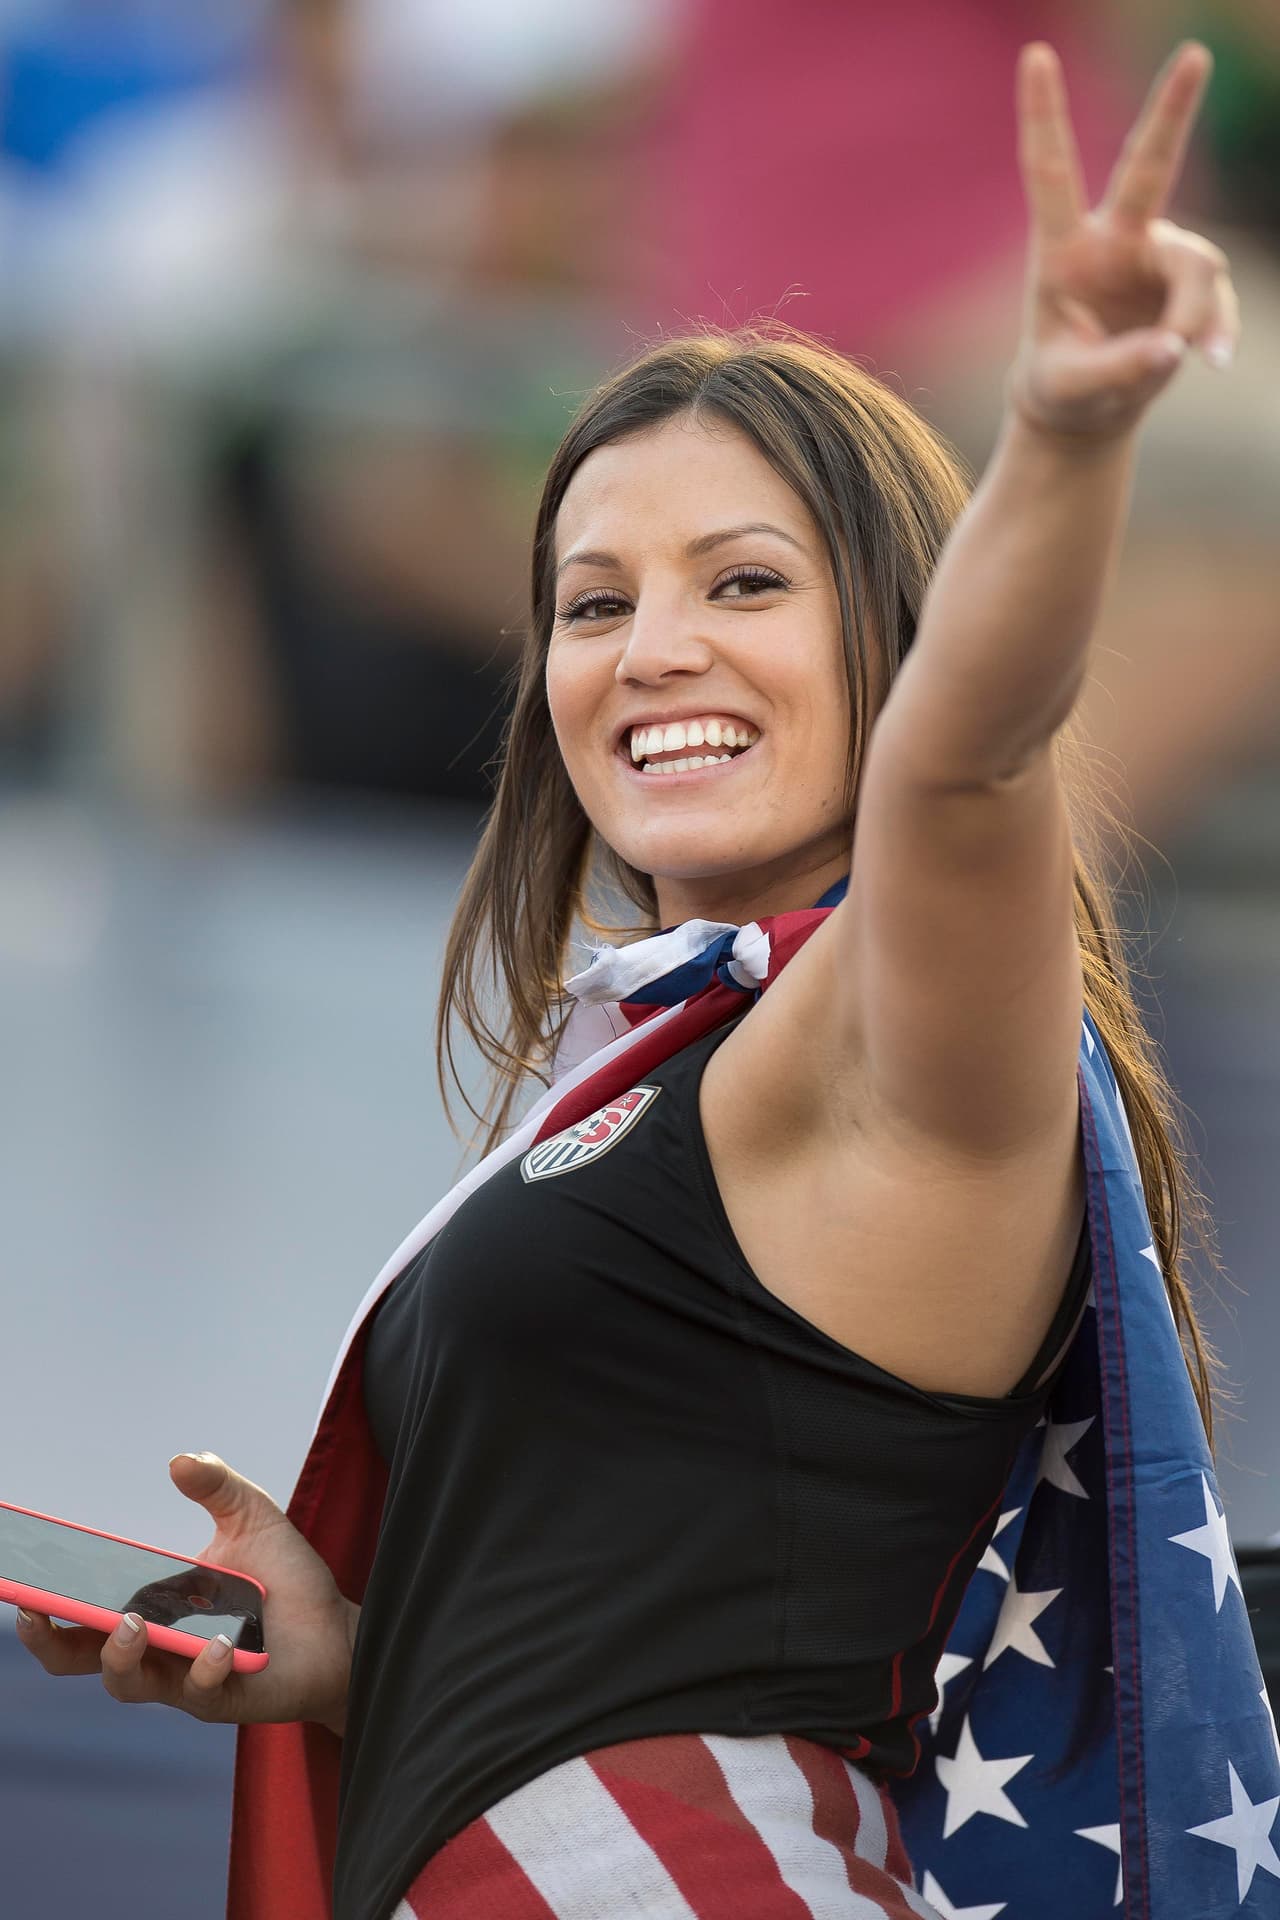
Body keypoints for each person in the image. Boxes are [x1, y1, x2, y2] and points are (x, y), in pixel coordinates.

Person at [15, 40, 1275, 1920]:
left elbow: (972, 767)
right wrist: (353, 1659)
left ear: (905, 637)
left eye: (747, 585)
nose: (653, 648)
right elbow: (654, 1638)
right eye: (595, 604)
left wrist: (1069, 433)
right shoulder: (674, 1067)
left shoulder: (886, 1038)